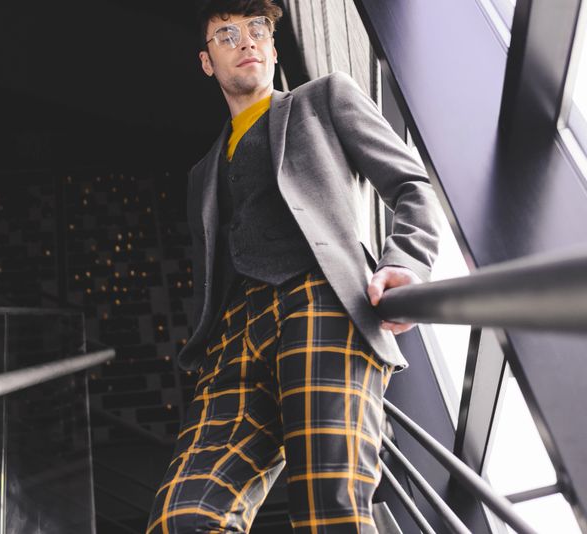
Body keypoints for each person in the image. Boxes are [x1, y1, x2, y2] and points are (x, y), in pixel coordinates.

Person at [147, 0, 441, 532]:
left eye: (257, 29)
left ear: (273, 46)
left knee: (330, 507)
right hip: (231, 342)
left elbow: (410, 186)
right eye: (228, 34)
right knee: (181, 518)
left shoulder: (324, 98)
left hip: (321, 303)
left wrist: (407, 262)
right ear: (207, 62)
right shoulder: (201, 175)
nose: (247, 41)